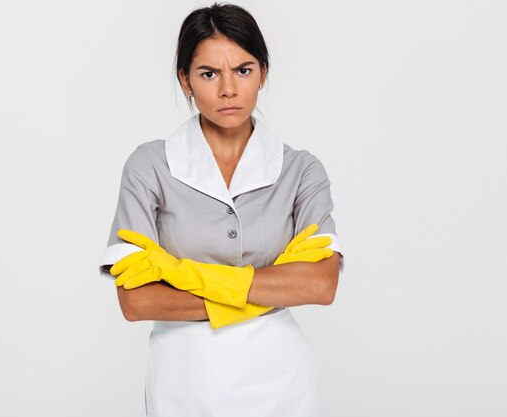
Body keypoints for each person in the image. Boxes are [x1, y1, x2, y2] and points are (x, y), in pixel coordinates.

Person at [100, 3, 344, 416]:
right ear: (186, 81)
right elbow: (136, 301)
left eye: (243, 70)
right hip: (186, 379)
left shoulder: (301, 170)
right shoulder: (151, 166)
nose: (228, 89)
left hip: (281, 380)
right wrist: (271, 285)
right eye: (208, 74)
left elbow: (320, 286)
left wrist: (177, 274)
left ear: (263, 73)